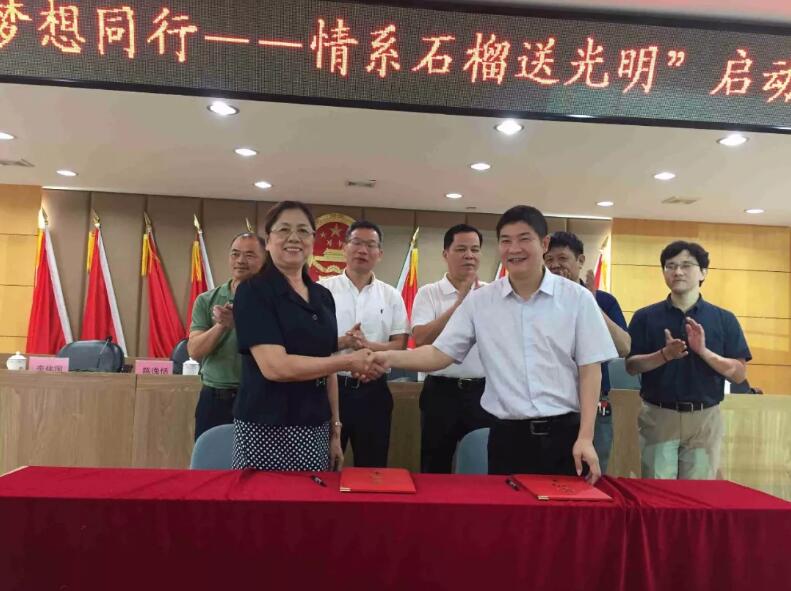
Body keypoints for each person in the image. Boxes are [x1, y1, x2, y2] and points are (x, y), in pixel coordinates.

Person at [366, 206, 617, 483]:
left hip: (565, 435)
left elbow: (590, 370)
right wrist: (387, 358)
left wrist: (586, 437)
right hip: (507, 437)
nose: (514, 249)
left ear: (544, 243)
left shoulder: (577, 299)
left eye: (524, 239)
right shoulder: (481, 301)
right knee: (507, 510)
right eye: (506, 240)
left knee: (563, 510)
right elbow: (438, 354)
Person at [232, 201, 374, 471]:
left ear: (312, 240)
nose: (294, 238)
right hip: (266, 427)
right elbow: (275, 367)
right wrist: (347, 361)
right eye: (284, 229)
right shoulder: (253, 292)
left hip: (316, 425)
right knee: (263, 498)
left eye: (303, 231)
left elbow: (327, 364)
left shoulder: (323, 296)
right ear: (269, 240)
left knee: (313, 497)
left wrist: (335, 427)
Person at [625, 241, 751, 479]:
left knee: (697, 493)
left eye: (686, 265)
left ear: (703, 272)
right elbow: (632, 366)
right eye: (670, 266)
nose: (678, 272)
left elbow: (739, 374)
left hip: (705, 417)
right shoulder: (645, 317)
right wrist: (664, 355)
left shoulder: (724, 319)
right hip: (659, 415)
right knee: (659, 491)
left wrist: (703, 351)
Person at [320, 221, 408, 467]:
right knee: (325, 465)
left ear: (380, 254)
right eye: (357, 243)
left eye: (370, 245)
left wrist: (368, 346)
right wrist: (344, 342)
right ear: (344, 248)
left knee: (373, 468)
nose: (363, 250)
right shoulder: (321, 291)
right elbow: (309, 343)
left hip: (374, 392)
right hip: (330, 390)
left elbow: (399, 345)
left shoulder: (391, 295)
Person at [544, 231, 630, 474]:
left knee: (590, 477)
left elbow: (624, 347)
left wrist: (591, 305)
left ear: (580, 260)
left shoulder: (604, 300)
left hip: (594, 406)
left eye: (562, 258)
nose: (555, 265)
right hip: (551, 405)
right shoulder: (540, 300)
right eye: (549, 260)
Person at [411, 223, 493, 473]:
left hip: (482, 393)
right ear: (445, 254)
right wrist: (459, 303)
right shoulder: (428, 293)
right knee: (434, 466)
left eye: (475, 250)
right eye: (461, 249)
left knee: (482, 464)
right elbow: (421, 339)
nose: (469, 255)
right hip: (441, 392)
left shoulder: (492, 294)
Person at [188, 232, 265, 440]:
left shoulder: (274, 301)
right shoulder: (207, 300)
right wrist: (221, 325)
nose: (240, 260)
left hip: (258, 398)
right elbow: (194, 351)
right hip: (215, 398)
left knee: (253, 459)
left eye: (249, 255)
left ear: (265, 259)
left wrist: (240, 323)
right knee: (210, 457)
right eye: (235, 254)